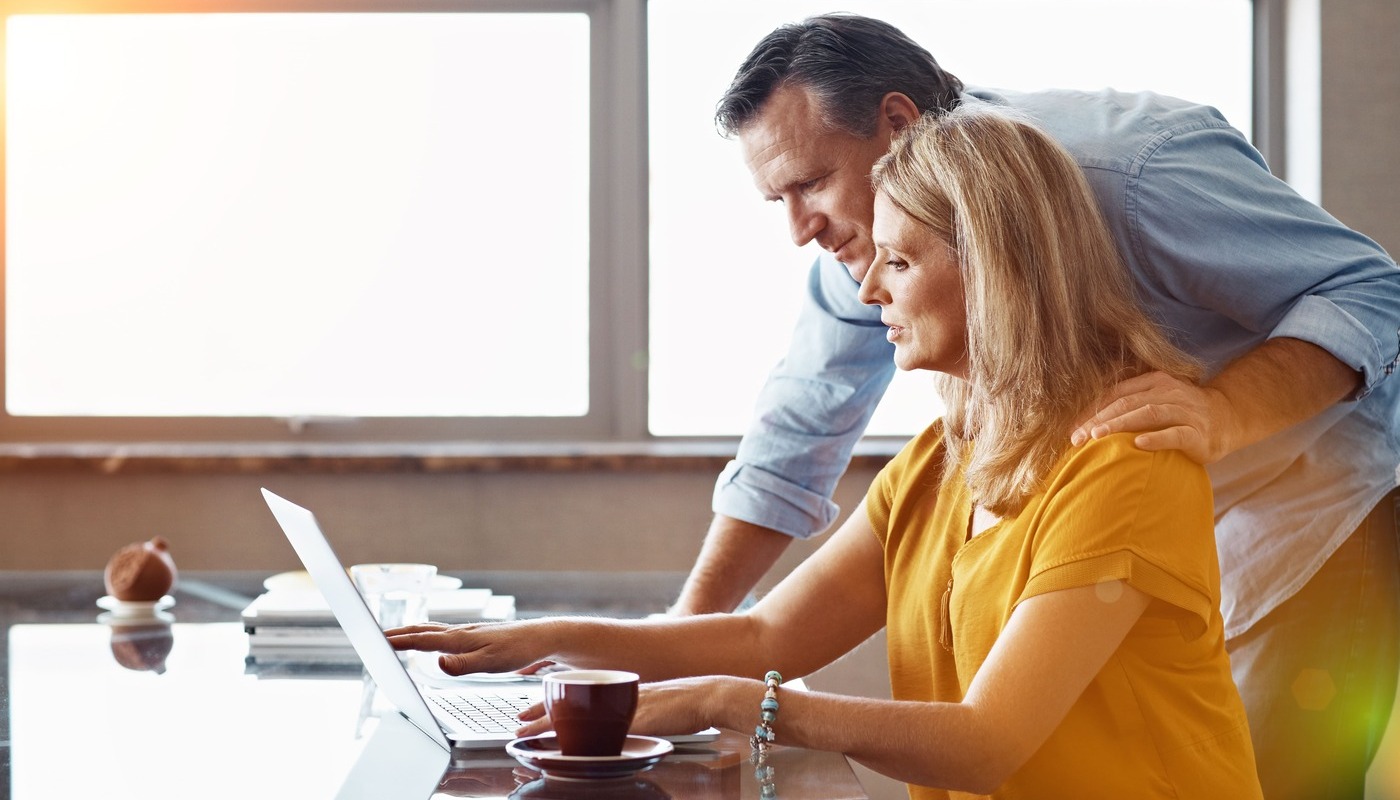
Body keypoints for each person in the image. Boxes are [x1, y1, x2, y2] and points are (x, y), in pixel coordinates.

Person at [391, 106, 1265, 799]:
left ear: (998, 269)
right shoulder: (939, 461)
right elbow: (769, 634)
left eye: (899, 260)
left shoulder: (1127, 470)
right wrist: (545, 641)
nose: (867, 283)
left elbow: (989, 743)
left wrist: (726, 704)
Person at [668, 13, 1400, 798]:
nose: (799, 229)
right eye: (777, 198)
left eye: (810, 183)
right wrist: (684, 646)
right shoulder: (871, 240)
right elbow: (800, 428)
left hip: (1306, 509)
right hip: (1123, 520)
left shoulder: (1133, 170)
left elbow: (1369, 292)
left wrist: (1219, 413)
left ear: (896, 121)